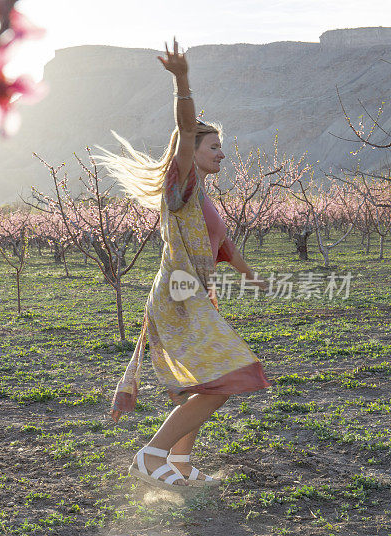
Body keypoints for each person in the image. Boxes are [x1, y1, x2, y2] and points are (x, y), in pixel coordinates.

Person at [96, 39, 271, 489]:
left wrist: (252, 278)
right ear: (190, 150)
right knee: (232, 375)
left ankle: (180, 462)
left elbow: (225, 245)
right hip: (178, 296)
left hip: (190, 296)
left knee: (207, 382)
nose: (222, 153)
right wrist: (182, 79)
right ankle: (152, 455)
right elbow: (185, 123)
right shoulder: (184, 183)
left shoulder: (204, 198)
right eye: (214, 145)